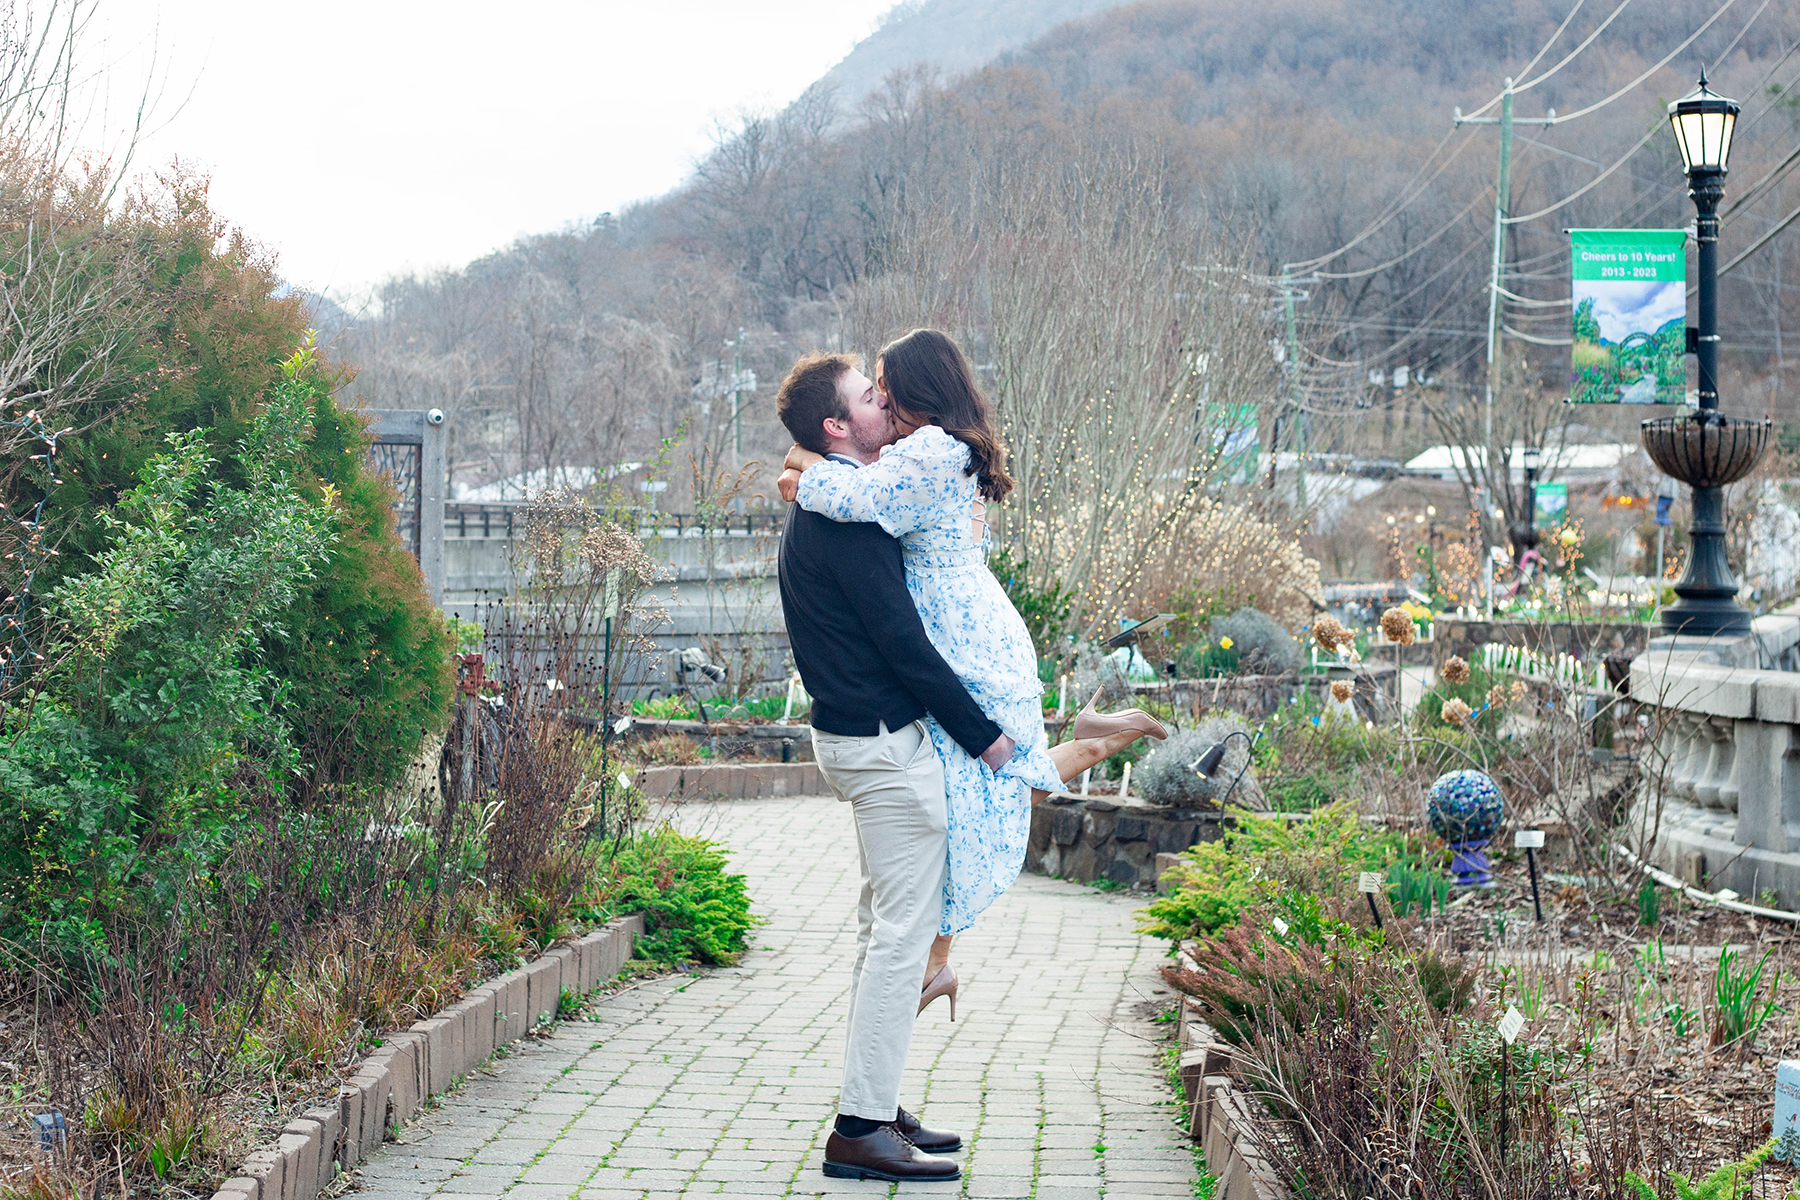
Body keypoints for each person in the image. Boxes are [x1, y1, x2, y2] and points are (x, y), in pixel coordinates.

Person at [776, 328, 1166, 1016]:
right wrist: (810, 461)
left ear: (916, 388)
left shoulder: (928, 451)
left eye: (885, 385)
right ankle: (1094, 742)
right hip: (976, 630)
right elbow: (866, 488)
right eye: (872, 389)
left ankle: (934, 963)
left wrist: (806, 464)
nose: (883, 397)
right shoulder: (944, 445)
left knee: (976, 795)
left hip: (962, 638)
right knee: (983, 794)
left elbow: (850, 499)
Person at [775, 350, 1007, 1184]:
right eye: (871, 398)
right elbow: (905, 646)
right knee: (902, 941)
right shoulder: (845, 516)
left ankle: (876, 1101)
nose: (888, 406)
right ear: (839, 427)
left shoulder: (830, 501)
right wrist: (986, 735)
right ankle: (861, 1128)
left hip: (856, 740)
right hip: (882, 747)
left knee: (886, 936)